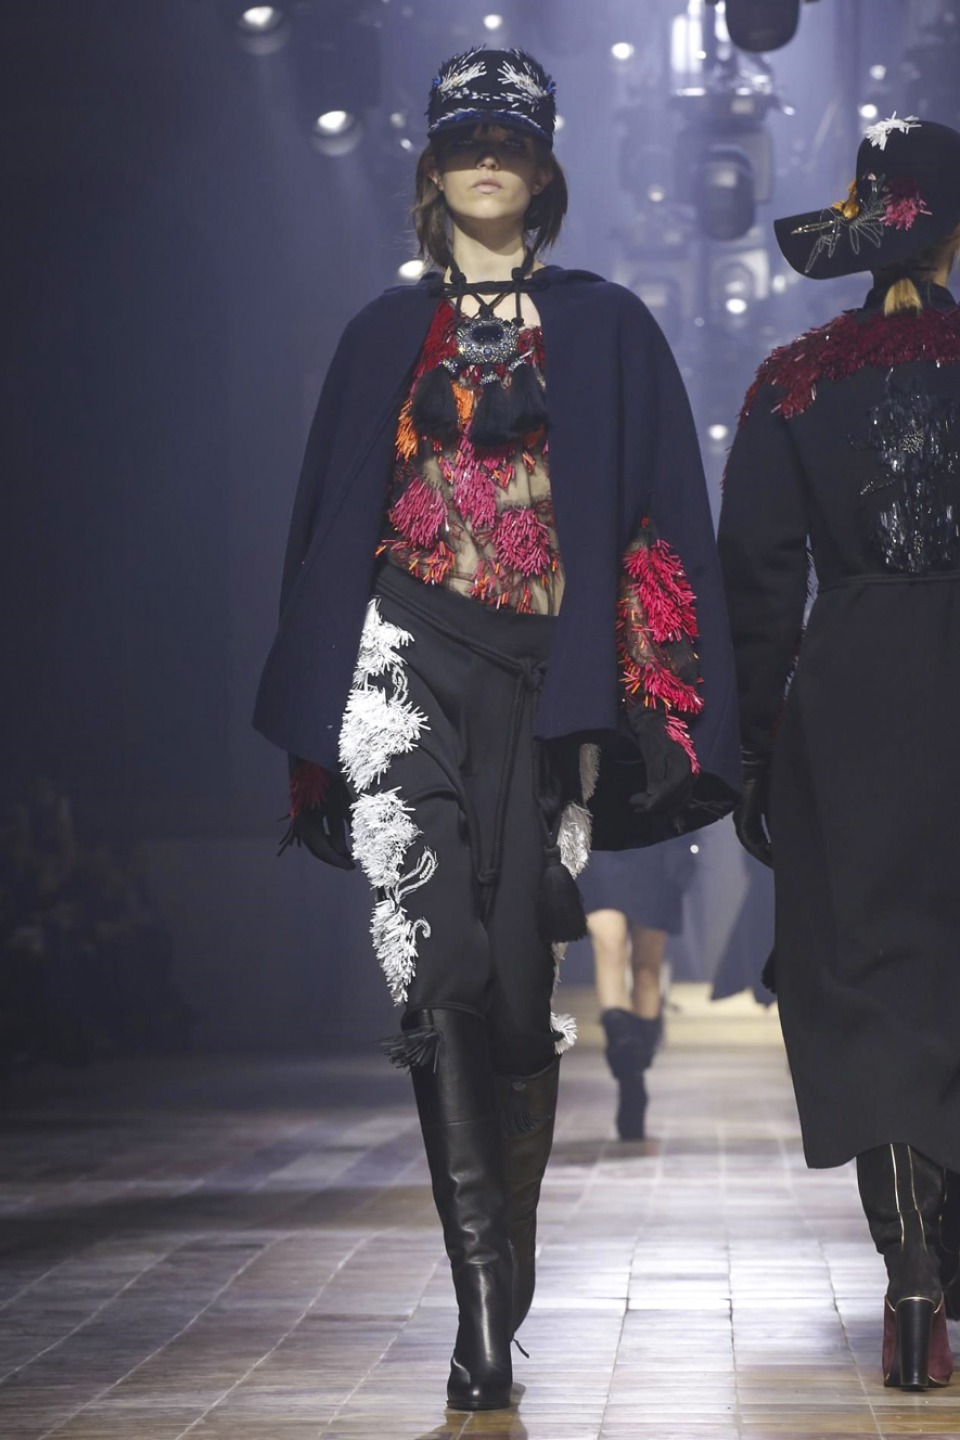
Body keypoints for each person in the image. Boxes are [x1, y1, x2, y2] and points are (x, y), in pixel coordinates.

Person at [255, 46, 739, 1412]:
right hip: (402, 661)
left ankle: (500, 1262)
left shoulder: (608, 326)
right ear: (429, 164)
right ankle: (481, 1304)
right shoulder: (377, 335)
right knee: (437, 961)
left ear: (544, 165)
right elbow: (322, 530)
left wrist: (659, 708)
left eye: (509, 139)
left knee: (521, 988)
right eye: (465, 138)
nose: (486, 158)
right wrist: (317, 733)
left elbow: (661, 520)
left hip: (543, 684)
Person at [718, 115, 960, 1392]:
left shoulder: (794, 381)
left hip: (852, 697)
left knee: (868, 979)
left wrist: (755, 748)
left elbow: (756, 582)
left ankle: (912, 1272)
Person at [581, 838, 694, 1139]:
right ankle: (628, 1077)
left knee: (646, 968)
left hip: (654, 842)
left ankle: (636, 1073)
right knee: (610, 946)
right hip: (600, 844)